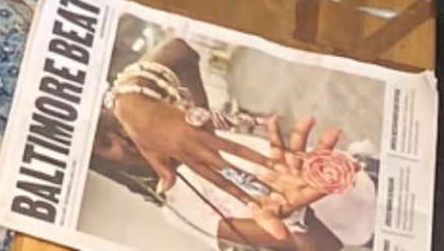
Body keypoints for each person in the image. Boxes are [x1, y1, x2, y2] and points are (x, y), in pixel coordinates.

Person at [93, 31, 378, 251]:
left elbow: (180, 51)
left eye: (118, 125)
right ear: (111, 168)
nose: (125, 138)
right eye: (106, 144)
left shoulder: (190, 129)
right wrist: (296, 216)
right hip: (367, 230)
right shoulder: (179, 210)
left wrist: (129, 99)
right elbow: (323, 247)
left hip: (365, 174)